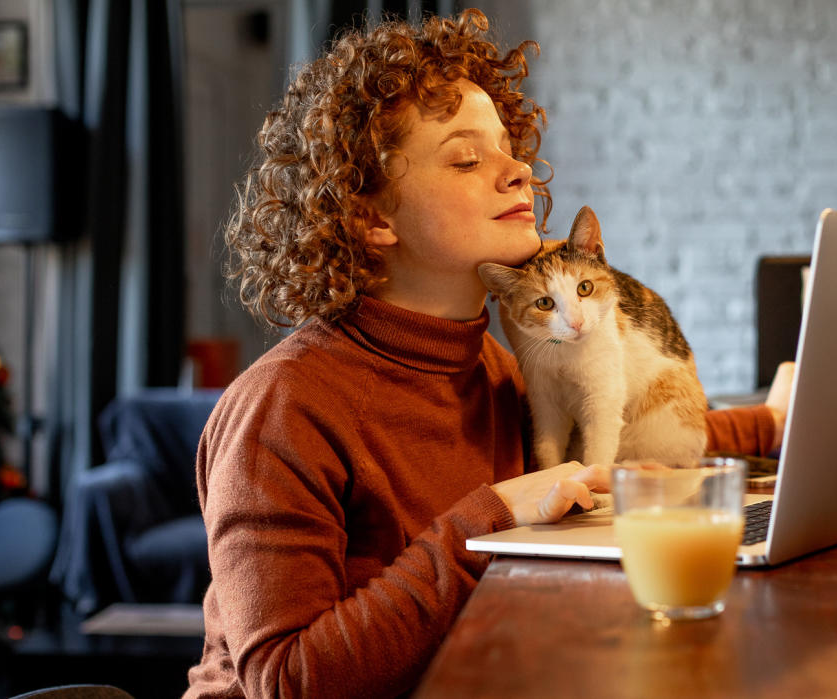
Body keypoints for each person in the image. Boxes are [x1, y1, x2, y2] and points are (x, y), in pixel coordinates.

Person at [185, 10, 786, 698]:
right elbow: (288, 681)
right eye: (466, 158)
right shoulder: (283, 407)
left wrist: (776, 422)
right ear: (371, 217)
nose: (517, 169)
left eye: (508, 146)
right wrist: (490, 515)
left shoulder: (494, 366)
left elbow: (621, 420)